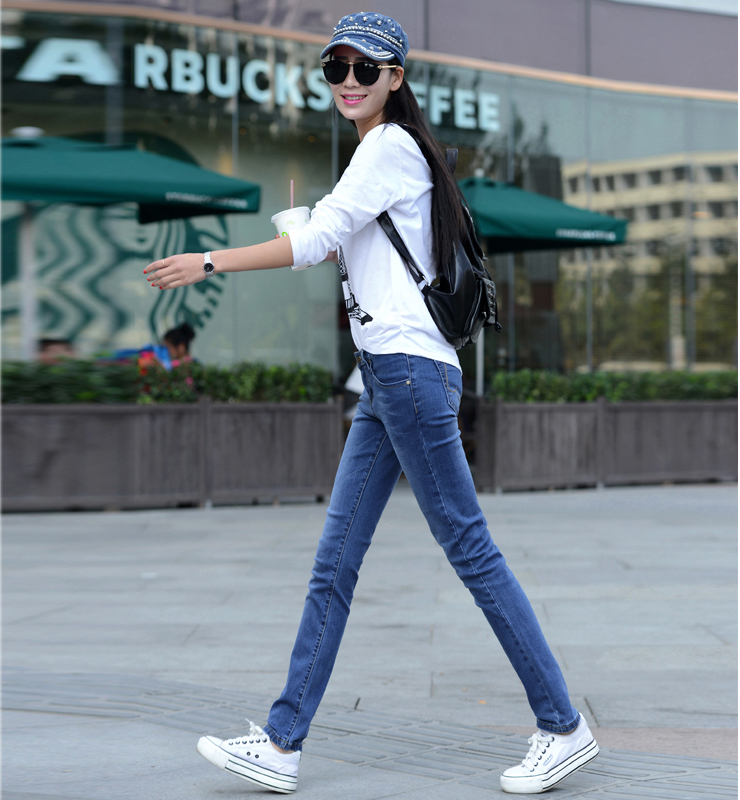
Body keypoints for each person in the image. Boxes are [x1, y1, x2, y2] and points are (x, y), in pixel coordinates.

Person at [143, 13, 599, 795]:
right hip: (387, 382)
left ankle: (563, 725)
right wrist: (313, 232)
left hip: (409, 376)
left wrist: (209, 260)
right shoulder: (382, 153)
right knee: (335, 564)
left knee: (470, 551)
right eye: (337, 66)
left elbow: (316, 242)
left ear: (396, 77)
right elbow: (335, 243)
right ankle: (282, 743)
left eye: (366, 67)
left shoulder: (389, 147)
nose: (349, 80)